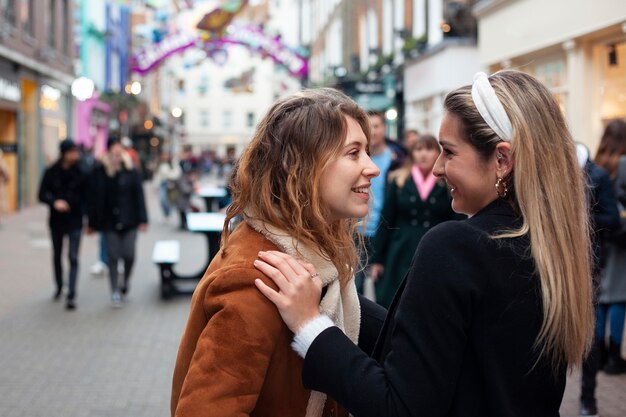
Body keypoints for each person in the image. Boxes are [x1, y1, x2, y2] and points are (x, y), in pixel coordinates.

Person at [254, 70, 594, 417]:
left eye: (448, 151)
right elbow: (438, 349)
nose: (437, 168)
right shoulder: (549, 247)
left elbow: (399, 407)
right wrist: (336, 294)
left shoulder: (459, 246)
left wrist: (311, 326)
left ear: (502, 161)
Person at [170, 88, 386, 417]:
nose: (372, 168)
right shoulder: (257, 279)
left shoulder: (312, 258)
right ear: (303, 167)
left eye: (367, 152)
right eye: (353, 153)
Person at [369, 134, 459, 307]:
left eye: (429, 149)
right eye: (418, 149)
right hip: (400, 251)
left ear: (437, 153)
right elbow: (386, 219)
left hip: (435, 250)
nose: (423, 154)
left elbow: (457, 221)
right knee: (395, 302)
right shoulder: (399, 180)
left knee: (430, 302)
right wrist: (377, 259)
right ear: (412, 154)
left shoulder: (448, 183)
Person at [575, 143, 620, 416]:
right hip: (549, 261)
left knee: (589, 337)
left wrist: (580, 218)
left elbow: (613, 219)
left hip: (589, 263)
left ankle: (587, 398)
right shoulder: (551, 170)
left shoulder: (598, 175)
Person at [88, 136, 148, 308]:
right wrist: (92, 223)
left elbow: (139, 196)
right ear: (108, 150)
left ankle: (125, 282)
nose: (117, 150)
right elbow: (94, 197)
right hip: (109, 222)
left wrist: (143, 219)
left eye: (119, 147)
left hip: (130, 220)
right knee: (113, 257)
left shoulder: (131, 170)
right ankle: (115, 291)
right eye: (113, 147)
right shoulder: (100, 171)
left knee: (129, 255)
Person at [354, 111, 405, 293]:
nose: (373, 131)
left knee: (384, 287)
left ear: (384, 128)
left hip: (386, 231)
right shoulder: (356, 158)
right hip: (358, 231)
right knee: (354, 288)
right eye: (369, 127)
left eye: (376, 126)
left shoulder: (398, 159)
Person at [38, 139, 88, 310]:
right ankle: (59, 286)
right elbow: (41, 194)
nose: (76, 155)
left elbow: (87, 196)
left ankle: (71, 293)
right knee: (57, 254)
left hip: (75, 220)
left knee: (73, 257)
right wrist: (54, 202)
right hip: (56, 221)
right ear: (64, 153)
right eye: (72, 152)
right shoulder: (51, 171)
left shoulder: (81, 171)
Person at [593, 119, 626, 375]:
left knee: (603, 296)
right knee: (619, 297)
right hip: (620, 237)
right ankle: (615, 356)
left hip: (601, 237)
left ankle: (600, 354)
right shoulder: (623, 163)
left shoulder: (598, 161)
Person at [152, 151, 181, 222]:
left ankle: (168, 214)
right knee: (162, 200)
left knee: (169, 200)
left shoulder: (173, 163)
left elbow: (177, 173)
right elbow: (157, 176)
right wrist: (155, 185)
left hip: (170, 183)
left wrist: (169, 175)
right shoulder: (159, 164)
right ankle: (166, 214)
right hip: (162, 184)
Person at [0, 149, 9, 224]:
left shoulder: (2, 162)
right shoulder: (2, 162)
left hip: (1, 184)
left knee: (2, 201)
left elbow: (6, 174)